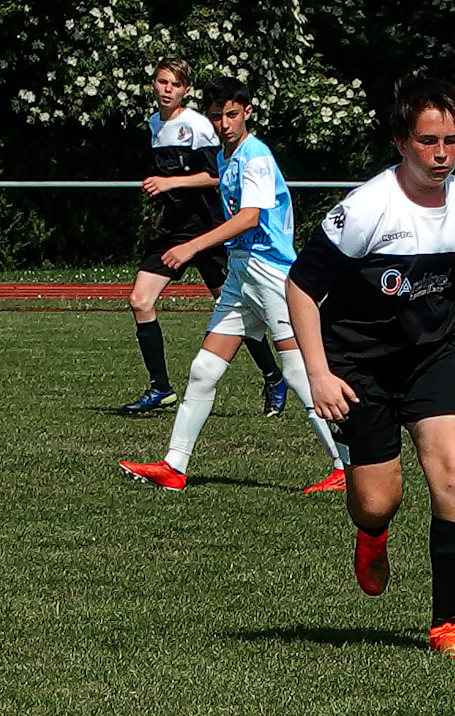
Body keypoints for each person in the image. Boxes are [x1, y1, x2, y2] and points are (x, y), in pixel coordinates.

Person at [285, 77, 455, 658]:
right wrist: (318, 374)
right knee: (378, 499)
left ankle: (445, 623)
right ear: (401, 142)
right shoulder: (365, 209)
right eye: (428, 141)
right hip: (358, 366)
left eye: (452, 141)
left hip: (434, 356)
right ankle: (371, 533)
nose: (441, 154)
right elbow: (301, 288)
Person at [116, 76, 349, 494]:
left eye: (232, 114)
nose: (224, 123)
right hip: (243, 272)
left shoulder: (255, 157)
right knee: (204, 370)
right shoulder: (228, 155)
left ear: (247, 113)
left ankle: (346, 465)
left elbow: (250, 217)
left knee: (299, 370)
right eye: (217, 115)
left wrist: (190, 247)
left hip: (268, 271)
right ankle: (174, 466)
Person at [121, 58, 289, 417]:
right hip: (171, 231)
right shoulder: (154, 125)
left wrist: (171, 182)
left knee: (237, 312)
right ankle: (161, 388)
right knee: (139, 301)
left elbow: (216, 177)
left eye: (174, 84)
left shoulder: (200, 126)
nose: (166, 89)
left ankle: (273, 375)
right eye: (161, 81)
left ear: (185, 90)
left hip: (206, 230)